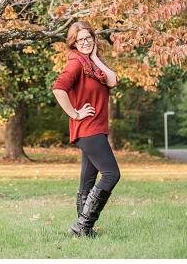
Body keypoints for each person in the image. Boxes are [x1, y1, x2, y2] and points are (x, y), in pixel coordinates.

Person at [52, 21, 119, 237]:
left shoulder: (91, 64)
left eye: (88, 38)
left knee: (88, 180)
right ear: (73, 43)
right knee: (111, 174)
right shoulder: (75, 64)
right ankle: (81, 226)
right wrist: (75, 113)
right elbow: (58, 88)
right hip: (87, 128)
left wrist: (95, 56)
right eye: (80, 40)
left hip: (95, 128)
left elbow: (112, 81)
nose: (85, 42)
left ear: (93, 38)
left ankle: (84, 229)